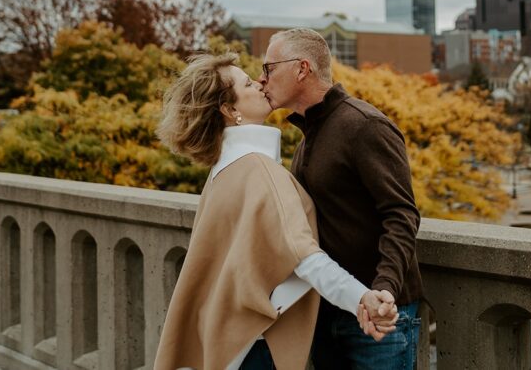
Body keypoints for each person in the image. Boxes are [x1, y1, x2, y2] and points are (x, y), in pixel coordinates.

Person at [153, 52, 398, 370]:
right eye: (247, 83)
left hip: (227, 344)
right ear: (230, 109)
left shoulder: (222, 172)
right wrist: (361, 299)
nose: (260, 83)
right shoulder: (260, 171)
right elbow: (304, 258)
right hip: (256, 345)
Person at [259, 28, 424, 370]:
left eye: (269, 68)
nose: (262, 80)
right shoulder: (307, 139)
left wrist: (384, 290)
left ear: (302, 68)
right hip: (327, 310)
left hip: (379, 314)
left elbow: (401, 215)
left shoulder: (364, 125)